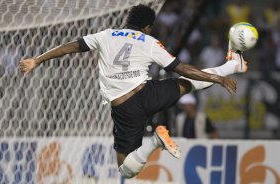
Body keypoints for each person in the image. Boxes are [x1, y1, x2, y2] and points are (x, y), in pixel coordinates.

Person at [19, 4, 247, 179]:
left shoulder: (105, 35)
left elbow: (69, 47)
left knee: (126, 170)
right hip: (149, 94)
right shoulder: (149, 41)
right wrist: (216, 77)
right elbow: (182, 68)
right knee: (187, 82)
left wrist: (37, 60)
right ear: (148, 26)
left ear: (127, 20)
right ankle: (233, 65)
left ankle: (155, 142)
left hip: (125, 107)